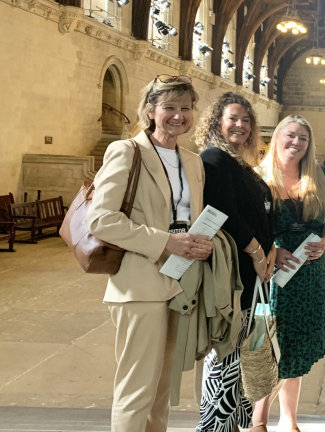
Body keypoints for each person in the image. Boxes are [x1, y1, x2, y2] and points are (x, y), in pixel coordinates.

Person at [87, 75, 213, 432]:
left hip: (179, 281)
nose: (178, 115)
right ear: (150, 111)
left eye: (185, 108)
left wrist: (200, 243)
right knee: (136, 389)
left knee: (162, 387)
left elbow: (191, 218)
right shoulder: (127, 151)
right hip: (139, 283)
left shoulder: (192, 161)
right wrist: (163, 242)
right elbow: (101, 219)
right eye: (169, 107)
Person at [253, 115, 325, 432]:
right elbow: (244, 226)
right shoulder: (257, 178)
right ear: (277, 137)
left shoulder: (320, 177)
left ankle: (289, 419)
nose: (296, 143)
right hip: (271, 273)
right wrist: (269, 249)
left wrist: (324, 241)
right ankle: (258, 419)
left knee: (297, 347)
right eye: (290, 136)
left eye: (303, 138)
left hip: (308, 273)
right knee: (267, 344)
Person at [193, 92, 276, 432]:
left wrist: (268, 254)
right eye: (233, 119)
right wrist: (258, 252)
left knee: (241, 356)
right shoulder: (214, 158)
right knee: (225, 356)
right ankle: (214, 426)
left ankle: (231, 424)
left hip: (254, 274)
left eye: (246, 120)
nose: (240, 125)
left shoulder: (240, 162)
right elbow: (223, 213)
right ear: (217, 123)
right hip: (235, 276)